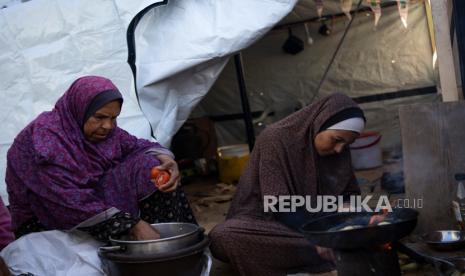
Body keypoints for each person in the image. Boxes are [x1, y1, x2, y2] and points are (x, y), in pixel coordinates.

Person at [6, 76, 196, 243]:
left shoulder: (104, 132)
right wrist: (132, 225)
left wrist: (167, 160)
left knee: (153, 166)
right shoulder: (45, 142)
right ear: (79, 109)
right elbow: (68, 203)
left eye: (113, 118)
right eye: (99, 117)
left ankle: (170, 242)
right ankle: (143, 243)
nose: (107, 126)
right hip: (48, 218)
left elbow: (137, 145)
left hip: (93, 199)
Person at [209, 93, 365, 275]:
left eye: (347, 144)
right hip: (272, 225)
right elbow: (280, 205)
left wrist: (345, 211)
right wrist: (319, 236)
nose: (340, 149)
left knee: (363, 225)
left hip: (321, 228)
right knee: (224, 236)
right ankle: (330, 253)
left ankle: (322, 253)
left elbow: (348, 195)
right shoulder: (275, 139)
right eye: (337, 140)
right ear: (319, 123)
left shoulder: (339, 151)